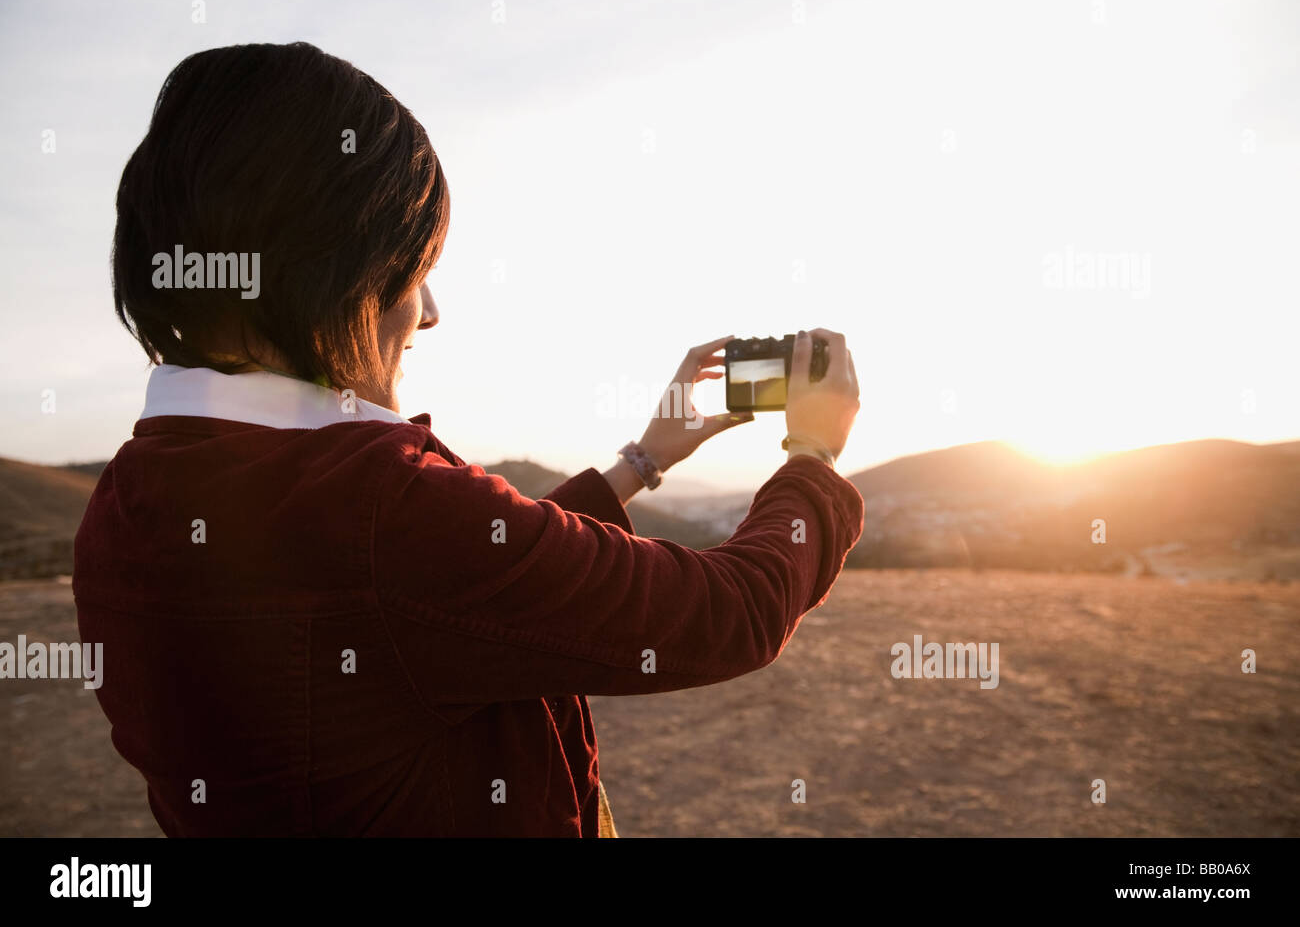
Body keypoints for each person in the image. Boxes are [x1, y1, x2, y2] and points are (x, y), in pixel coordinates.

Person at [75, 42, 864, 836]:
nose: (429, 310)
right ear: (337, 272)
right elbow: (728, 614)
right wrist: (814, 454)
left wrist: (641, 461)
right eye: (414, 267)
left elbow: (443, 600)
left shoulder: (129, 500)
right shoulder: (379, 504)